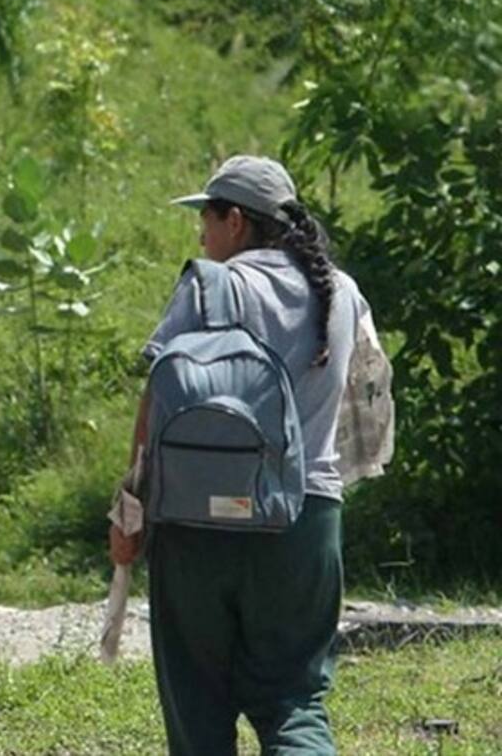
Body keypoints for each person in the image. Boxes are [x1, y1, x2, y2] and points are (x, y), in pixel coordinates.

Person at [111, 155, 368, 755]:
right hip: (304, 523)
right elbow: (366, 418)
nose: (201, 231)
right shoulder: (344, 294)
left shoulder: (210, 284)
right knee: (294, 702)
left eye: (207, 215)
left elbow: (157, 404)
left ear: (237, 222)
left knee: (198, 705)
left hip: (198, 525)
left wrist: (129, 512)